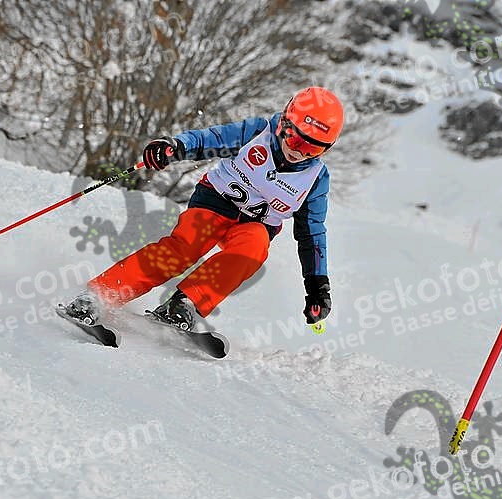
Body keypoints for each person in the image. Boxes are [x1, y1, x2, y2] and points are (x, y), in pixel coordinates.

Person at [63, 86, 343, 331]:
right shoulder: (257, 132)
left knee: (254, 248)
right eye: (295, 139)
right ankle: (100, 295)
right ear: (284, 123)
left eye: (314, 149)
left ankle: (184, 304)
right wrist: (175, 147)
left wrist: (317, 286)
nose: (299, 152)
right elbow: (211, 139)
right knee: (185, 248)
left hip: (255, 225)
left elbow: (312, 235)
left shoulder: (315, 179)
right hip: (215, 203)